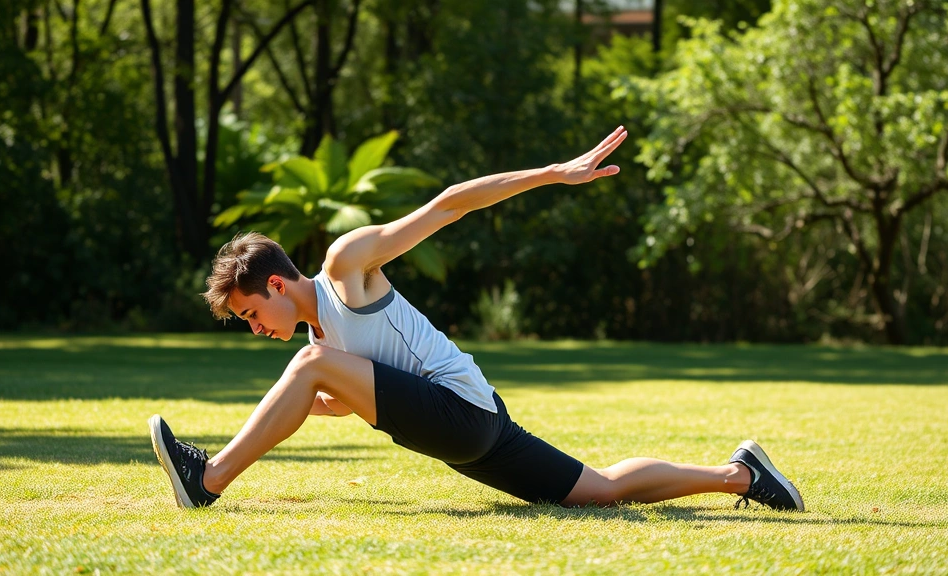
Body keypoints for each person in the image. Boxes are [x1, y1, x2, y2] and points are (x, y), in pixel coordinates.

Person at [148, 126, 804, 512]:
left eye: (250, 313)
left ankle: (208, 480)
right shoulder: (323, 341)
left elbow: (447, 205)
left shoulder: (345, 266)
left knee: (310, 366)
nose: (255, 328)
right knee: (599, 490)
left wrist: (554, 172)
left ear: (275, 283)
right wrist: (314, 403)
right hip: (474, 426)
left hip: (461, 413)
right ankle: (742, 475)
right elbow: (359, 393)